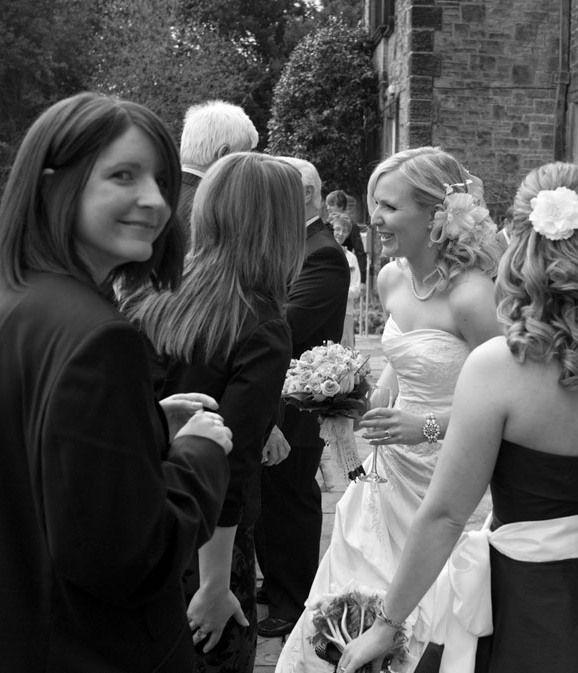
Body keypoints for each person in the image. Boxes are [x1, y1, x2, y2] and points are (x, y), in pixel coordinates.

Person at [338, 162, 578, 673]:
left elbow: (444, 516)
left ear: (519, 241)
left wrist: (387, 624)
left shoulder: (497, 367)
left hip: (529, 606)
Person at [0, 92, 235, 673]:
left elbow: (18, 464)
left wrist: (142, 428)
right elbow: (129, 561)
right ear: (50, 186)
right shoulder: (98, 337)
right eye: (123, 175)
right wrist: (200, 455)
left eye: (162, 180)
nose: (155, 201)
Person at [274, 146, 503, 673]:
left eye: (389, 207)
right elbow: (401, 372)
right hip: (386, 473)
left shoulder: (473, 297)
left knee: (435, 618)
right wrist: (349, 399)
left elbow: (508, 403)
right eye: (374, 203)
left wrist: (422, 425)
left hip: (450, 473)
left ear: (435, 214)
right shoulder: (392, 279)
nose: (372, 219)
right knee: (350, 592)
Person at [122, 152, 305, 673]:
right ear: (281, 226)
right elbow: (231, 469)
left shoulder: (152, 291)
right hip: (204, 547)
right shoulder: (263, 325)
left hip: (136, 524)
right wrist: (215, 586)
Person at [255, 156, 351, 638]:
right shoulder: (293, 242)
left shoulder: (323, 252)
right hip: (279, 391)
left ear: (307, 195)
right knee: (270, 496)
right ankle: (275, 582)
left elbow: (289, 324)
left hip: (300, 398)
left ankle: (293, 600)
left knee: (292, 496)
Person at [178, 100, 259, 234]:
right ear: (224, 154)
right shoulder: (218, 212)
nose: (247, 167)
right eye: (244, 157)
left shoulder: (156, 193)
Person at [329, 211, 362, 349]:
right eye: (337, 229)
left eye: (345, 230)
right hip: (326, 312)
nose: (340, 233)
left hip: (346, 312)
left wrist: (336, 293)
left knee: (346, 349)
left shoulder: (351, 258)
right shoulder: (324, 254)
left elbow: (356, 289)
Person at [325, 188, 368, 285]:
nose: (328, 207)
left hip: (343, 270)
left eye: (331, 204)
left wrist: (362, 281)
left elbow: (360, 252)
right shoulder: (326, 225)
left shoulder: (352, 226)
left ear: (341, 206)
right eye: (327, 204)